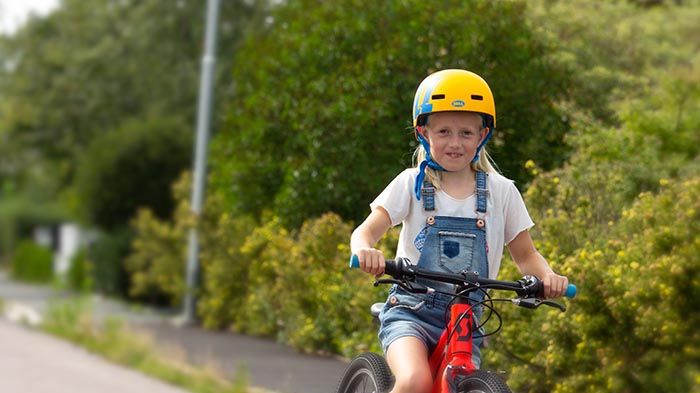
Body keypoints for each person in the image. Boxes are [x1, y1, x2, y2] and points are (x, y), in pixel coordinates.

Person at [350, 69, 569, 393]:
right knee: (416, 380)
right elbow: (364, 232)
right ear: (423, 132)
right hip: (411, 312)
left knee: (457, 383)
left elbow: (526, 255)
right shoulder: (412, 183)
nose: (455, 142)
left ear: (482, 136)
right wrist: (365, 250)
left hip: (468, 320)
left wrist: (548, 277)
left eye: (466, 133)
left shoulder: (502, 192)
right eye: (444, 131)